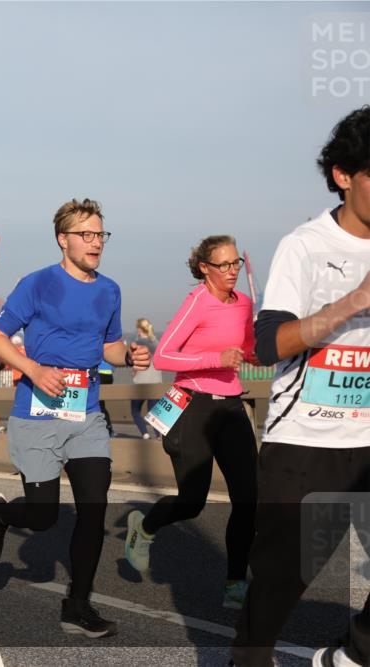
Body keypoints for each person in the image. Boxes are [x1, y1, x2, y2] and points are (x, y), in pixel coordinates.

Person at [231, 106, 370, 667]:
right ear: (344, 174)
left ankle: (351, 655)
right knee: (277, 591)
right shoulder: (306, 246)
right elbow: (269, 344)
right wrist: (353, 301)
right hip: (308, 447)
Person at [0, 198, 149, 639]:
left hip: (86, 414)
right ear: (63, 240)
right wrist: (33, 369)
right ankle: (0, 516)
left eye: (100, 235)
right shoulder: (36, 284)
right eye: (86, 235)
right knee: (43, 515)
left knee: (93, 508)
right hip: (37, 415)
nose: (95, 243)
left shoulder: (109, 290)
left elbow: (108, 346)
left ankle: (77, 606)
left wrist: (127, 354)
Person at [123, 236, 259, 610]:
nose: (232, 272)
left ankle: (235, 581)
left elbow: (246, 349)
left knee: (249, 499)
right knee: (192, 501)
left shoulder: (244, 303)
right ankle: (144, 529)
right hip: (193, 407)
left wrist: (260, 354)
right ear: (205, 268)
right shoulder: (196, 302)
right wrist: (216, 358)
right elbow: (164, 355)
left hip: (231, 407)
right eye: (224, 265)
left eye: (236, 264)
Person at [129, 318, 162, 439]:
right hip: (155, 382)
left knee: (135, 410)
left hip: (141, 383)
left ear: (139, 329)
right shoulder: (156, 343)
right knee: (154, 413)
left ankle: (145, 433)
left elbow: (135, 364)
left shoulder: (137, 343)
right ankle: (158, 435)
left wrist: (133, 372)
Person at [96, 360, 115, 437]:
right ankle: (108, 428)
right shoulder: (110, 350)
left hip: (100, 375)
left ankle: (108, 428)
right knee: (101, 404)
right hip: (109, 376)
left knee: (100, 404)